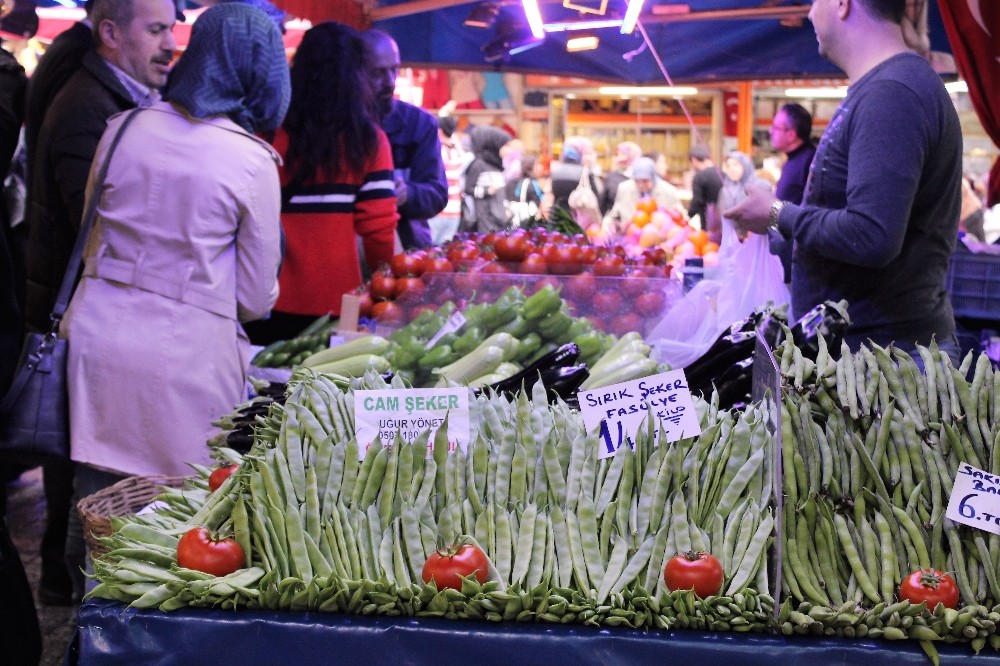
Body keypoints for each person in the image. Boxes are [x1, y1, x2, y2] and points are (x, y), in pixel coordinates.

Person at [61, 1, 288, 598]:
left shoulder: (124, 129)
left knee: (96, 508)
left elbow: (91, 238)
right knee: (174, 530)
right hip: (187, 362)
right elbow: (255, 297)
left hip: (98, 344)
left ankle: (89, 633)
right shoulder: (249, 159)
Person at [24, 0, 179, 607]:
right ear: (111, 34)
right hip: (79, 314)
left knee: (79, 453)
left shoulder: (117, 100)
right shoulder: (90, 108)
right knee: (78, 456)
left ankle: (65, 579)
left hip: (92, 311)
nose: (170, 44)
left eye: (171, 28)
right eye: (157, 30)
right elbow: (103, 229)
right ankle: (67, 584)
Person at [725, 0, 963, 360]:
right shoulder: (885, 87)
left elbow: (872, 235)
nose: (809, 14)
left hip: (887, 363)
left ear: (842, 3)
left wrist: (778, 214)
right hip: (874, 354)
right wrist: (777, 229)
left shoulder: (892, 92)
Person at [244, 21, 397, 345]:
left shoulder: (267, 137)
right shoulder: (369, 142)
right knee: (327, 393)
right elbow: (379, 232)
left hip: (265, 299)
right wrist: (389, 292)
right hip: (342, 303)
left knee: (262, 391)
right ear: (356, 76)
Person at [361, 29, 447, 250]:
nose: (390, 81)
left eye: (394, 70)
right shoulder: (336, 124)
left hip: (407, 253)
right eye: (378, 73)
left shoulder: (419, 124)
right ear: (356, 72)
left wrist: (407, 193)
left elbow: (437, 193)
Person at [768, 103, 817, 283]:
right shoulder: (793, 160)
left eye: (775, 127)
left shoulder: (810, 161)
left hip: (797, 261)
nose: (770, 131)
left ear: (791, 134)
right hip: (785, 253)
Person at [604, 156, 683, 232]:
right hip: (630, 234)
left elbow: (681, 216)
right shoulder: (624, 189)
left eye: (645, 181)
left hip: (659, 237)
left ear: (653, 178)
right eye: (637, 181)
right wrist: (606, 228)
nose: (641, 185)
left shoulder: (668, 191)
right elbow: (614, 213)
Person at [461, 124, 511, 235]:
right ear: (495, 145)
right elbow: (468, 189)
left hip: (499, 217)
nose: (509, 150)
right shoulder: (479, 165)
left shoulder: (497, 166)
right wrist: (486, 191)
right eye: (506, 146)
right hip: (485, 219)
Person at [427, 114, 467, 245]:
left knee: (428, 251)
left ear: (439, 131)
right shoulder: (458, 150)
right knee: (445, 252)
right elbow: (452, 137)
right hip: (455, 211)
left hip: (437, 211)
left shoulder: (436, 151)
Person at [718, 151, 772, 234]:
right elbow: (722, 218)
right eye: (728, 166)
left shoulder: (761, 186)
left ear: (745, 165)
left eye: (735, 164)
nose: (731, 169)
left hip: (757, 236)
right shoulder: (725, 190)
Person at [550, 136, 602, 213]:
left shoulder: (555, 171)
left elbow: (550, 196)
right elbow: (597, 198)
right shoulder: (585, 172)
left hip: (558, 217)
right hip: (579, 218)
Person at [686, 145, 723, 240]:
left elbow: (697, 202)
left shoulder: (699, 177)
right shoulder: (722, 173)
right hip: (725, 225)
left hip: (708, 225)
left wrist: (687, 217)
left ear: (694, 160)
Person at [601, 141, 642, 216]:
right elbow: (603, 204)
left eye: (624, 154)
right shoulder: (611, 177)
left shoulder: (641, 177)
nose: (620, 158)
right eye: (617, 154)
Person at [505, 154, 544, 227]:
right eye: (537, 165)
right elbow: (541, 199)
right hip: (528, 221)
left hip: (517, 222)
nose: (540, 167)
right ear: (529, 168)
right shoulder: (532, 183)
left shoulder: (518, 182)